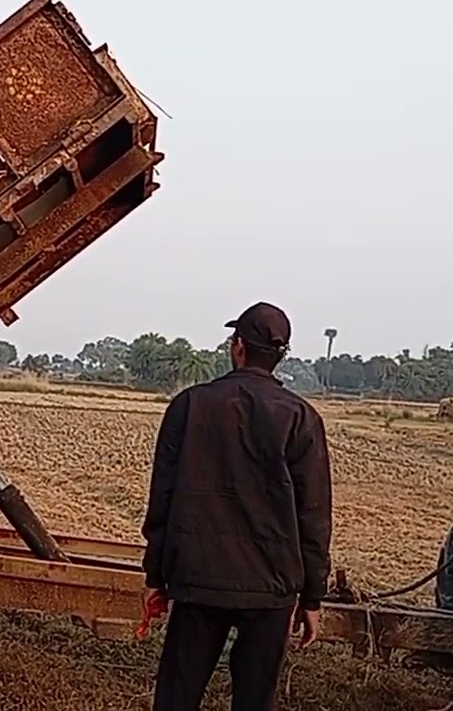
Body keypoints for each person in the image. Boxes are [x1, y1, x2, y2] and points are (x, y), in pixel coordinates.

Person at [141, 301, 333, 711]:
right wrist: (312, 599)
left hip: (198, 579)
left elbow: (163, 498)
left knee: (176, 697)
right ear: (280, 355)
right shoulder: (301, 418)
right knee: (254, 701)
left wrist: (155, 575)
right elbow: (313, 518)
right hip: (271, 588)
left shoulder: (189, 405)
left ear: (238, 346)